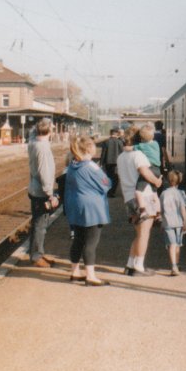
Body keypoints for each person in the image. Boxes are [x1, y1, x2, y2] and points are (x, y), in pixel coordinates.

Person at [65, 135, 112, 286]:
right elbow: (107, 184)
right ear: (89, 149)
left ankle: (75, 271)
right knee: (91, 242)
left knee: (78, 240)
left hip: (75, 206)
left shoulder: (72, 165)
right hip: (91, 208)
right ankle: (90, 276)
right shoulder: (91, 166)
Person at [117, 126, 163, 276]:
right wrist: (156, 182)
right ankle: (139, 266)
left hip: (129, 198)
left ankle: (130, 265)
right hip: (144, 197)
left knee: (138, 233)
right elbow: (145, 173)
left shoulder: (121, 157)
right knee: (144, 234)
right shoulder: (139, 156)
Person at [27, 117, 58, 268]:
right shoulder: (44, 148)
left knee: (37, 223)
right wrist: (50, 194)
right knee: (40, 224)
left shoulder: (33, 143)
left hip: (34, 188)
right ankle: (36, 256)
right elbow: (45, 172)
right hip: (41, 191)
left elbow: (32, 133)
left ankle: (36, 253)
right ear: (50, 130)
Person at [160, 170, 186, 276]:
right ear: (179, 181)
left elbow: (161, 210)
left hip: (168, 223)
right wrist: (185, 221)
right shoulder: (181, 193)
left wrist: (162, 222)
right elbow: (182, 209)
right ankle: (176, 264)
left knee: (171, 244)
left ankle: (173, 266)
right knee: (177, 245)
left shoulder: (163, 193)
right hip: (179, 223)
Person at [133, 124, 162, 203]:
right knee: (155, 193)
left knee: (138, 191)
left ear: (141, 138)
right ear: (152, 136)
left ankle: (142, 209)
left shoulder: (140, 146)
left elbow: (132, 149)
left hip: (149, 169)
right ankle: (158, 211)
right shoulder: (156, 144)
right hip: (157, 169)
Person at [99, 128, 124, 198]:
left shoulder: (106, 142)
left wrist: (101, 163)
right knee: (115, 178)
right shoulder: (119, 142)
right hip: (117, 163)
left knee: (108, 177)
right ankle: (112, 192)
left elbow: (103, 153)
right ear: (117, 134)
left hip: (107, 162)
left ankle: (108, 191)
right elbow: (122, 153)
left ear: (110, 133)